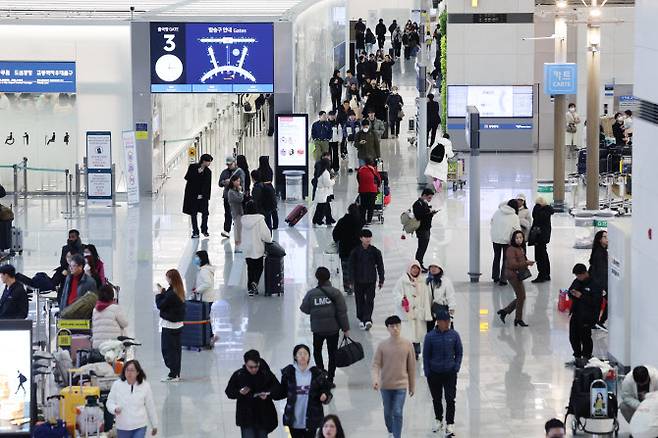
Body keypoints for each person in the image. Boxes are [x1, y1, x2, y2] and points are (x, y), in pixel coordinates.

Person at [300, 267, 350, 388]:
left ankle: (321, 375)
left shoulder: (311, 293)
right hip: (333, 329)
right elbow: (342, 312)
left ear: (317, 278)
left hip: (318, 329)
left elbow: (304, 308)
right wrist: (345, 328)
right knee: (332, 353)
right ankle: (330, 379)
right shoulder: (336, 293)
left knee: (317, 351)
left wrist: (315, 310)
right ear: (329, 277)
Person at [372, 315, 416, 438]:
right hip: (385, 386)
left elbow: (411, 367)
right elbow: (376, 364)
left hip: (401, 386)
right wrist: (375, 379)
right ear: (387, 328)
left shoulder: (407, 345)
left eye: (397, 325)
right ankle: (390, 430)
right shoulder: (382, 346)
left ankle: (397, 436)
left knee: (397, 412)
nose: (395, 328)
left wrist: (412, 386)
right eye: (392, 326)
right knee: (387, 413)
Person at [278, 344, 333, 438]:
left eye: (305, 353)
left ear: (308, 356)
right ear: (295, 356)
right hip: (294, 418)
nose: (302, 356)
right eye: (300, 354)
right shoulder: (289, 373)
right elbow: (282, 392)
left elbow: (327, 391)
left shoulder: (317, 373)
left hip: (312, 417)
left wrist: (325, 396)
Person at [423, 310, 463, 436]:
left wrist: (456, 366)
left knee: (450, 399)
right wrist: (427, 372)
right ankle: (438, 419)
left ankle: (450, 423)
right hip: (434, 373)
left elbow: (459, 352)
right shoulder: (430, 337)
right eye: (445, 321)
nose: (447, 323)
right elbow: (426, 356)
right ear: (438, 322)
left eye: (448, 321)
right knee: (436, 399)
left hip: (450, 373)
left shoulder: (454, 335)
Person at [225, 350, 280, 437]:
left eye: (256, 366)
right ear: (245, 364)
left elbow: (277, 388)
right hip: (246, 417)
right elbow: (229, 392)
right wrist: (239, 392)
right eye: (251, 367)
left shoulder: (265, 374)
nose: (254, 369)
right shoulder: (239, 375)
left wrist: (268, 394)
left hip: (262, 415)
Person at [106, 360, 159, 438]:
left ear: (137, 372)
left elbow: (150, 406)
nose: (129, 373)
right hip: (122, 426)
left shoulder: (145, 386)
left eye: (132, 370)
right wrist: (114, 409)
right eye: (127, 370)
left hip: (140, 425)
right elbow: (109, 402)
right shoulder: (117, 385)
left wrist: (155, 424)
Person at [393, 261, 433, 358]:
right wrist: (401, 300)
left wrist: (427, 313)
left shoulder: (422, 282)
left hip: (419, 313)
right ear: (409, 269)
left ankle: (416, 352)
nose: (415, 270)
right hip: (406, 313)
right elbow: (396, 294)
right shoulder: (402, 281)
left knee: (417, 334)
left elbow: (427, 298)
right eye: (413, 268)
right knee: (407, 334)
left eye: (417, 268)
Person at [348, 229, 385, 330]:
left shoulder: (375, 251)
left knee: (369, 299)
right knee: (359, 300)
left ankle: (367, 319)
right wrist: (351, 281)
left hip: (371, 280)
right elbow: (351, 267)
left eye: (369, 237)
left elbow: (380, 266)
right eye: (365, 237)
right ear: (361, 238)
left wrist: (381, 279)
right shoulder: (355, 252)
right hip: (358, 280)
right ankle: (361, 318)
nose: (368, 239)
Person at [567, 263, 603, 367]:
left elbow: (596, 302)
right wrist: (572, 293)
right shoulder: (577, 281)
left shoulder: (595, 284)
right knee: (573, 337)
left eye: (579, 275)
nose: (578, 278)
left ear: (585, 273)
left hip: (588, 316)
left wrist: (581, 296)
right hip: (576, 313)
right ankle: (577, 357)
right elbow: (570, 291)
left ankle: (586, 358)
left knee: (585, 337)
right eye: (576, 276)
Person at [497, 231, 534, 327]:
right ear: (513, 239)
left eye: (521, 238)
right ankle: (517, 318)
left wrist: (527, 262)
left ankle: (507, 312)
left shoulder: (520, 248)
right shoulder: (511, 249)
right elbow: (513, 265)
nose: (519, 240)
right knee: (521, 296)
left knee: (521, 297)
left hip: (517, 274)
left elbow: (521, 261)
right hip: (513, 275)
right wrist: (526, 263)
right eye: (517, 238)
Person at [155, 269, 186, 382]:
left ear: (171, 279)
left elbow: (160, 305)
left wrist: (159, 294)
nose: (166, 279)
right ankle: (176, 373)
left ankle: (173, 374)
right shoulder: (178, 290)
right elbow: (168, 299)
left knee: (168, 350)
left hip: (169, 326)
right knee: (176, 350)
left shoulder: (172, 294)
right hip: (177, 326)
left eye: (167, 277)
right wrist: (163, 292)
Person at [241, 201, 273, 296]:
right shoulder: (259, 220)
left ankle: (250, 289)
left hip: (247, 249)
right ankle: (255, 282)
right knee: (259, 267)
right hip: (257, 248)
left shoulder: (242, 220)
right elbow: (266, 235)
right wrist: (268, 240)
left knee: (250, 268)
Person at [332, 203, 364, 295]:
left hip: (345, 249)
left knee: (346, 270)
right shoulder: (359, 221)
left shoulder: (342, 221)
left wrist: (338, 241)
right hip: (357, 250)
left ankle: (348, 287)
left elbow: (335, 234)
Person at [490, 200, 521, 286]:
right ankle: (503, 279)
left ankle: (495, 276)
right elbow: (517, 230)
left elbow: (491, 223)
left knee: (496, 257)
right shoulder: (514, 216)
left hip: (495, 239)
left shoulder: (497, 212)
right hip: (507, 240)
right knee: (506, 259)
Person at [183, 153, 213, 238]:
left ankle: (204, 229)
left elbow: (208, 185)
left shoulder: (208, 171)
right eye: (208, 162)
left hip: (203, 197)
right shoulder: (193, 167)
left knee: (205, 213)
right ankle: (195, 231)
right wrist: (197, 173)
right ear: (204, 161)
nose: (209, 164)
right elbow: (187, 178)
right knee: (193, 213)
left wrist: (205, 196)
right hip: (193, 195)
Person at [92, 284, 129, 348]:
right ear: (112, 295)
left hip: (98, 347)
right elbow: (125, 324)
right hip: (112, 346)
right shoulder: (115, 308)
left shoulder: (95, 310)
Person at [219, 155, 246, 239]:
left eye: (230, 164)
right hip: (227, 196)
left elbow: (241, 184)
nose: (229, 166)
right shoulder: (224, 172)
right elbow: (219, 183)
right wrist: (224, 182)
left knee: (238, 213)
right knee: (227, 213)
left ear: (234, 163)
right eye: (228, 164)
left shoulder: (240, 172)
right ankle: (226, 230)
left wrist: (230, 183)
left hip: (237, 196)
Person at [412, 188, 437, 271]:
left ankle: (419, 263)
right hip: (422, 230)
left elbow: (425, 215)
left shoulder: (424, 203)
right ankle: (418, 264)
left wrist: (431, 213)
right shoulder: (417, 204)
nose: (430, 199)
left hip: (426, 228)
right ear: (424, 195)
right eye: (429, 197)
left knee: (423, 247)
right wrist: (429, 213)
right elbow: (419, 216)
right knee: (422, 248)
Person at [426, 259, 457, 325]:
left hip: (442, 312)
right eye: (431, 267)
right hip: (429, 313)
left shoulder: (445, 281)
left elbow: (451, 297)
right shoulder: (427, 281)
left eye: (435, 267)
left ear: (440, 269)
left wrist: (451, 311)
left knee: (442, 331)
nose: (433, 269)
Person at [589, 230, 608, 330]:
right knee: (598, 303)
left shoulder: (600, 251)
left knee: (598, 303)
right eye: (605, 237)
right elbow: (601, 272)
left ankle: (599, 321)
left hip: (597, 283)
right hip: (599, 284)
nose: (607, 239)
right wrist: (603, 287)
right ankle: (599, 321)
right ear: (600, 240)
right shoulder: (600, 254)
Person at [356, 158, 381, 224]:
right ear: (372, 163)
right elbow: (378, 179)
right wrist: (378, 186)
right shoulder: (373, 170)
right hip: (372, 190)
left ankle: (362, 220)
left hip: (362, 190)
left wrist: (361, 184)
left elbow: (358, 178)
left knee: (363, 206)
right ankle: (369, 220)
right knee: (371, 206)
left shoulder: (361, 169)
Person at [312, 158, 336, 227]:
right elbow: (327, 183)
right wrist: (333, 181)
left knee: (319, 207)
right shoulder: (325, 172)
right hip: (323, 193)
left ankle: (315, 220)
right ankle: (319, 222)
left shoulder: (319, 171)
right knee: (322, 209)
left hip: (320, 192)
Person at [227, 175, 245, 251]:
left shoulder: (236, 190)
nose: (239, 182)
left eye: (239, 181)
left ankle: (240, 245)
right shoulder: (231, 192)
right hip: (236, 213)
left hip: (240, 212)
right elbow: (240, 199)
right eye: (237, 181)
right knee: (238, 230)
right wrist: (241, 192)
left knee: (241, 230)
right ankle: (237, 247)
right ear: (233, 181)